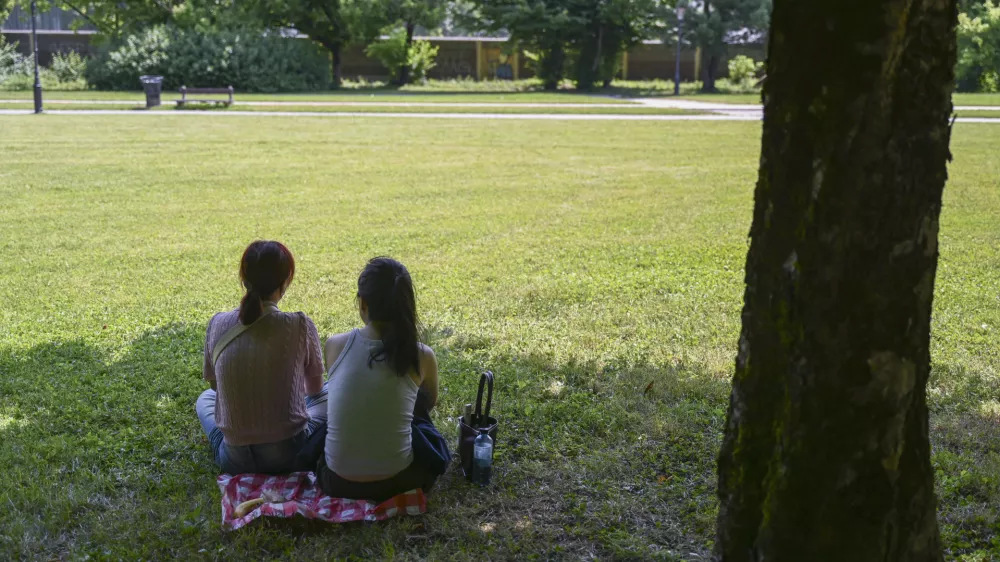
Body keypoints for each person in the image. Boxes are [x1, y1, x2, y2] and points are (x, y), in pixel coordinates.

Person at [319, 257, 449, 502]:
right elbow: (428, 404)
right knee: (424, 427)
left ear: (363, 303)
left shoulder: (335, 345)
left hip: (337, 483)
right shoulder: (422, 355)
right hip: (401, 481)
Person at [196, 240, 328, 475]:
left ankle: (226, 442)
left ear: (244, 279)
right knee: (331, 392)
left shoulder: (217, 323)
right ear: (286, 280)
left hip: (235, 459)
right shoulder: (299, 325)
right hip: (289, 454)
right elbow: (315, 389)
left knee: (204, 399)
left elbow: (215, 387)